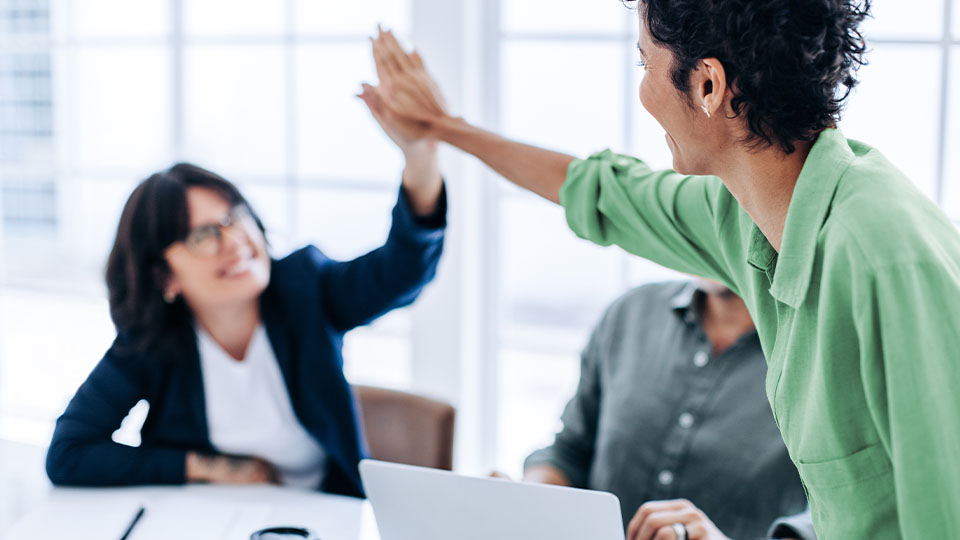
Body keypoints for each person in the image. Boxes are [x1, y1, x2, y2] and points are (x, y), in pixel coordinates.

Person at [362, 0, 960, 535]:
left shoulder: (887, 259)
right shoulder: (750, 214)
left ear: (707, 85)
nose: (644, 92)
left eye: (644, 64)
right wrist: (442, 129)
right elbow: (602, 192)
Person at [45, 106, 446, 496]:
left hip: (326, 516)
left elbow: (401, 271)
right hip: (216, 520)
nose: (234, 240)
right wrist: (209, 468)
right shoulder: (151, 344)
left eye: (234, 217)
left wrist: (419, 159)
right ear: (164, 276)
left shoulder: (306, 288)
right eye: (204, 236)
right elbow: (68, 453)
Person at [520, 280, 813, 540]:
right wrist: (525, 499)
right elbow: (570, 451)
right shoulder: (631, 313)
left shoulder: (817, 355)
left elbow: (835, 522)